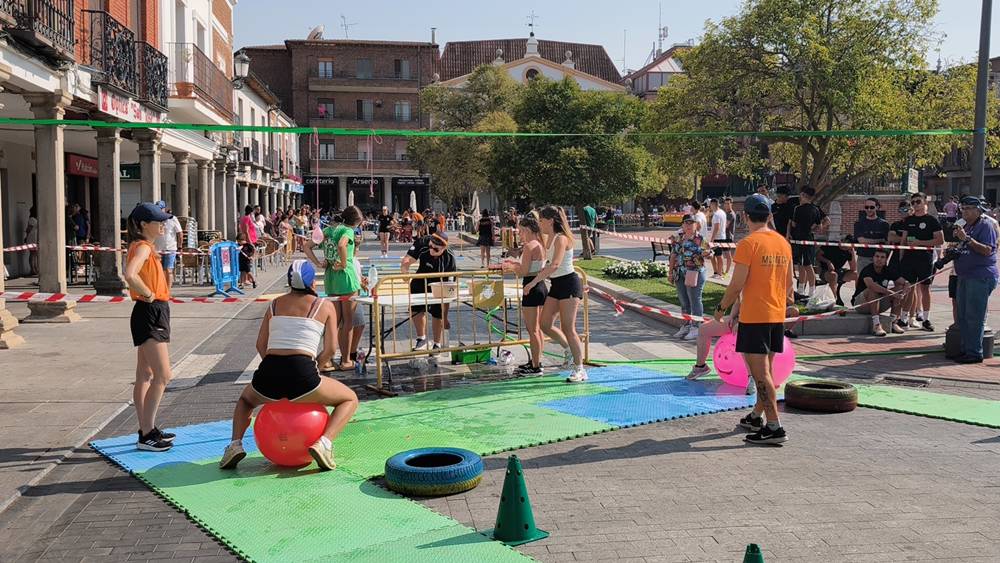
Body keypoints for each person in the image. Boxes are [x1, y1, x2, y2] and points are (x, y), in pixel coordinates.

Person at [219, 260, 358, 471]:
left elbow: (260, 344)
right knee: (349, 399)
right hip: (302, 371)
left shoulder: (274, 304)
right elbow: (331, 349)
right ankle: (324, 443)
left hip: (270, 369)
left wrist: (274, 369)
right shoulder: (325, 305)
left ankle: (234, 444)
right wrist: (316, 367)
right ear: (313, 282)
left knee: (246, 401)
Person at [714, 193, 793, 445]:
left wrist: (721, 308)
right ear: (769, 215)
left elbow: (737, 284)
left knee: (760, 376)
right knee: (766, 372)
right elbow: (790, 285)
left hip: (755, 316)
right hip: (775, 315)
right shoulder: (783, 243)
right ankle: (757, 416)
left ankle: (774, 426)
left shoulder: (749, 244)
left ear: (746, 216)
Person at [123, 203, 177, 452]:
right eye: (159, 221)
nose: (163, 225)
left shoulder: (144, 246)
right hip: (150, 311)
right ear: (144, 224)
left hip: (150, 311)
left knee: (144, 375)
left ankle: (147, 428)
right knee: (163, 375)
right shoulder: (143, 246)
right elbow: (130, 274)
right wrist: (148, 293)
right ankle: (147, 432)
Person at [526, 206, 587, 383]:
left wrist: (533, 282)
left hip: (569, 284)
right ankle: (568, 350)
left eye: (542, 221)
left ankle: (580, 369)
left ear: (551, 220)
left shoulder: (561, 239)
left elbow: (554, 264)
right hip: (556, 285)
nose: (540, 224)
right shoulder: (549, 238)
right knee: (545, 324)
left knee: (568, 327)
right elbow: (546, 262)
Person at [304, 205, 363, 372]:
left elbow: (307, 246)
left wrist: (318, 263)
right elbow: (342, 245)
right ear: (355, 222)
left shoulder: (329, 230)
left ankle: (328, 360)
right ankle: (345, 360)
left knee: (333, 322)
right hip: (346, 276)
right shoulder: (348, 231)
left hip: (330, 277)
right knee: (348, 322)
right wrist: (344, 263)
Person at [951, 196, 999, 364]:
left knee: (974, 316)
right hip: (965, 275)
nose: (963, 211)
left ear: (977, 210)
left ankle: (974, 352)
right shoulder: (968, 225)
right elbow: (966, 247)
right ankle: (966, 349)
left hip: (980, 276)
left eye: (967, 208)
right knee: (963, 316)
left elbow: (987, 250)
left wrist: (966, 239)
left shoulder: (986, 225)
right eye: (962, 208)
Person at [502, 214, 548, 375]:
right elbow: (532, 267)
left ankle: (536, 365)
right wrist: (516, 264)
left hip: (531, 286)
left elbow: (523, 271)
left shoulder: (530, 246)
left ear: (528, 230)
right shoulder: (540, 244)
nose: (520, 234)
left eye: (521, 231)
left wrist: (511, 267)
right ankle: (536, 361)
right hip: (540, 286)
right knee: (537, 329)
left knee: (533, 329)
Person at [402, 231, 456, 352]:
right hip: (421, 278)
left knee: (438, 313)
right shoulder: (422, 243)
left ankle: (437, 343)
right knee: (416, 309)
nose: (432, 250)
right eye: (430, 246)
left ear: (444, 248)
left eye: (436, 250)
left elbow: (448, 291)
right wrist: (404, 272)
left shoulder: (449, 258)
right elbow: (407, 260)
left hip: (439, 283)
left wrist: (445, 317)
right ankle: (421, 339)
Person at [899, 193, 944, 331]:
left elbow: (940, 240)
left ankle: (926, 319)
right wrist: (901, 256)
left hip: (925, 259)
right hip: (909, 259)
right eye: (913, 203)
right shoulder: (908, 220)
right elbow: (903, 240)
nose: (915, 205)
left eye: (918, 201)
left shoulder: (932, 220)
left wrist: (921, 243)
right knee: (909, 288)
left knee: (924, 288)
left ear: (925, 202)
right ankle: (904, 318)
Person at [670, 215, 710, 341]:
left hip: (695, 272)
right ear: (682, 225)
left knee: (695, 299)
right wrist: (670, 272)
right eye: (686, 223)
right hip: (680, 272)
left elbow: (709, 253)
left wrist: (707, 253)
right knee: (684, 301)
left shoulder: (700, 239)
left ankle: (696, 327)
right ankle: (686, 325)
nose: (688, 225)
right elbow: (673, 255)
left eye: (691, 223)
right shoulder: (678, 239)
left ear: (696, 225)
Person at [851, 248, 907, 336]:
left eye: (882, 257)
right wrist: (890, 292)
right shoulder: (867, 270)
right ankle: (876, 325)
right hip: (862, 304)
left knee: (899, 288)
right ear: (873, 258)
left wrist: (904, 289)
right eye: (877, 256)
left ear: (886, 260)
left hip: (879, 302)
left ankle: (893, 322)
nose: (879, 259)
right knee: (873, 290)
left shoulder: (888, 269)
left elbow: (903, 282)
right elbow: (871, 285)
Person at [788, 186, 829, 298]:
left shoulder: (797, 209)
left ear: (803, 195)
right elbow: (820, 225)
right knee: (804, 264)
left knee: (805, 264)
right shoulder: (815, 209)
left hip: (799, 238)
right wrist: (812, 229)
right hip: (809, 238)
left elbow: (793, 224)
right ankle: (804, 289)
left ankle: (809, 290)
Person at [816, 236, 858, 307]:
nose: (846, 247)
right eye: (846, 244)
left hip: (838, 271)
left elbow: (853, 268)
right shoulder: (832, 245)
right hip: (825, 270)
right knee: (833, 275)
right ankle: (833, 302)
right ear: (843, 241)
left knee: (856, 275)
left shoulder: (848, 251)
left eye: (849, 246)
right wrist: (828, 262)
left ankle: (856, 297)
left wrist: (852, 253)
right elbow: (817, 255)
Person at [853, 197, 891, 274]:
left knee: (880, 283)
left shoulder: (884, 224)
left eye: (872, 207)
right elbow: (861, 241)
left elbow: (888, 242)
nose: (869, 209)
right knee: (863, 283)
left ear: (877, 207)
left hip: (879, 259)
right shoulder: (858, 223)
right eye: (866, 207)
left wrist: (885, 258)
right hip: (864, 257)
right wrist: (880, 240)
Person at [154, 201, 184, 290]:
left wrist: (180, 246)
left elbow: (180, 233)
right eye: (157, 209)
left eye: (160, 209)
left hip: (170, 248)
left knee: (168, 270)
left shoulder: (172, 218)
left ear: (164, 209)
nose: (158, 211)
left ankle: (167, 290)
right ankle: (160, 288)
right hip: (157, 248)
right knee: (158, 269)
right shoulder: (154, 219)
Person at [708, 199, 727, 278]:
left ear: (713, 204)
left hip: (718, 238)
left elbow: (717, 227)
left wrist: (712, 239)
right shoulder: (722, 213)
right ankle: (717, 272)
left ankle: (719, 273)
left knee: (718, 256)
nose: (710, 206)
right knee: (714, 255)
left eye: (710, 205)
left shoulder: (716, 214)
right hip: (722, 236)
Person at [723, 197, 736, 276]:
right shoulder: (726, 213)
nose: (727, 205)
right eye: (725, 203)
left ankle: (727, 272)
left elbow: (725, 225)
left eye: (728, 203)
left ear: (731, 204)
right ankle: (722, 271)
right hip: (725, 235)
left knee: (728, 255)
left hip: (728, 236)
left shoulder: (730, 214)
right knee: (723, 254)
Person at [23, 206, 38, 276]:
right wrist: (26, 237)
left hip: (35, 237)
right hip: (32, 237)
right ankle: (32, 269)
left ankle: (35, 268)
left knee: (35, 254)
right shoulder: (32, 219)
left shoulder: (35, 219)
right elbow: (28, 229)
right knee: (32, 254)